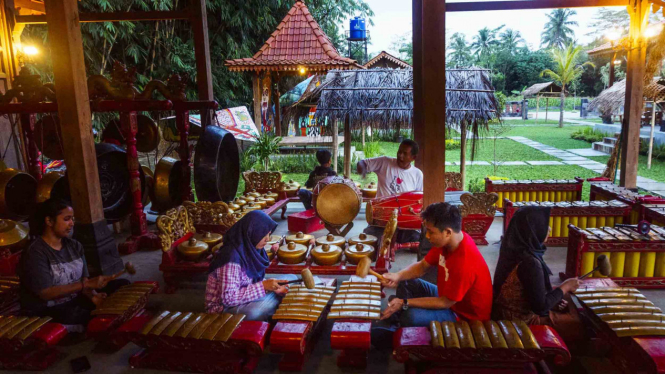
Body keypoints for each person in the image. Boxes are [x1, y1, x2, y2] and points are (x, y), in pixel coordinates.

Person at [380, 202, 493, 327]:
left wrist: (404, 302)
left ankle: (399, 322)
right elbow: (422, 266)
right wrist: (397, 275)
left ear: (447, 232)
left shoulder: (465, 262)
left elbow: (445, 302)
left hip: (464, 316)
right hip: (448, 297)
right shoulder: (447, 243)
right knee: (406, 281)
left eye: (430, 232)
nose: (427, 236)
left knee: (410, 316)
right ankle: (396, 318)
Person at [19, 199, 130, 326]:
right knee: (78, 315)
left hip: (74, 298)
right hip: (49, 308)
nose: (72, 223)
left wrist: (94, 296)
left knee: (123, 285)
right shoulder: (35, 252)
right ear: (49, 221)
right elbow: (45, 293)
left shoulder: (75, 246)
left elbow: (84, 280)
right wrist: (86, 285)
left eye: (72, 219)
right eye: (67, 219)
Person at [492, 206, 584, 347]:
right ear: (532, 229)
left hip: (503, 311)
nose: (549, 229)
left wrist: (555, 298)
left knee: (566, 299)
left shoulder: (513, 248)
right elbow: (540, 308)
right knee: (579, 321)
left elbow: (533, 291)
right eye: (545, 225)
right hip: (519, 321)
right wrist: (565, 287)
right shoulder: (530, 262)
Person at [205, 211, 298, 321]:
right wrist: (264, 287)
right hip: (223, 309)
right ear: (251, 232)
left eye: (269, 234)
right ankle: (273, 304)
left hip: (245, 296)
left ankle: (274, 301)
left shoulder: (251, 248)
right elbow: (228, 299)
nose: (267, 239)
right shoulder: (231, 258)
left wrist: (273, 287)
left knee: (292, 278)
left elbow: (250, 279)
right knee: (256, 312)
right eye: (263, 235)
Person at [357, 139, 423, 243]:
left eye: (405, 153)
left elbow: (419, 200)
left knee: (419, 241)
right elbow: (362, 163)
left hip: (403, 224)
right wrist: (363, 169)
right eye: (399, 151)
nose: (400, 155)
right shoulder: (384, 162)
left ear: (413, 158)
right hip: (381, 221)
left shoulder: (417, 174)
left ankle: (395, 240)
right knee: (370, 242)